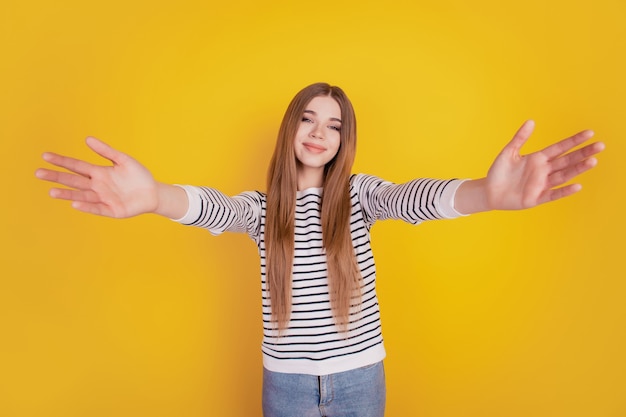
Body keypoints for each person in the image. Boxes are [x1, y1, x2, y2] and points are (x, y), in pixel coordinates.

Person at [35, 83, 604, 417]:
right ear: (290, 129)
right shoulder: (262, 210)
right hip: (284, 384)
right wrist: (153, 196)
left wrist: (485, 194)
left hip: (361, 378)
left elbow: (415, 199)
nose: (318, 131)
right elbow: (209, 207)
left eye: (333, 124)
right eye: (307, 118)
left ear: (343, 140)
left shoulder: (358, 195)